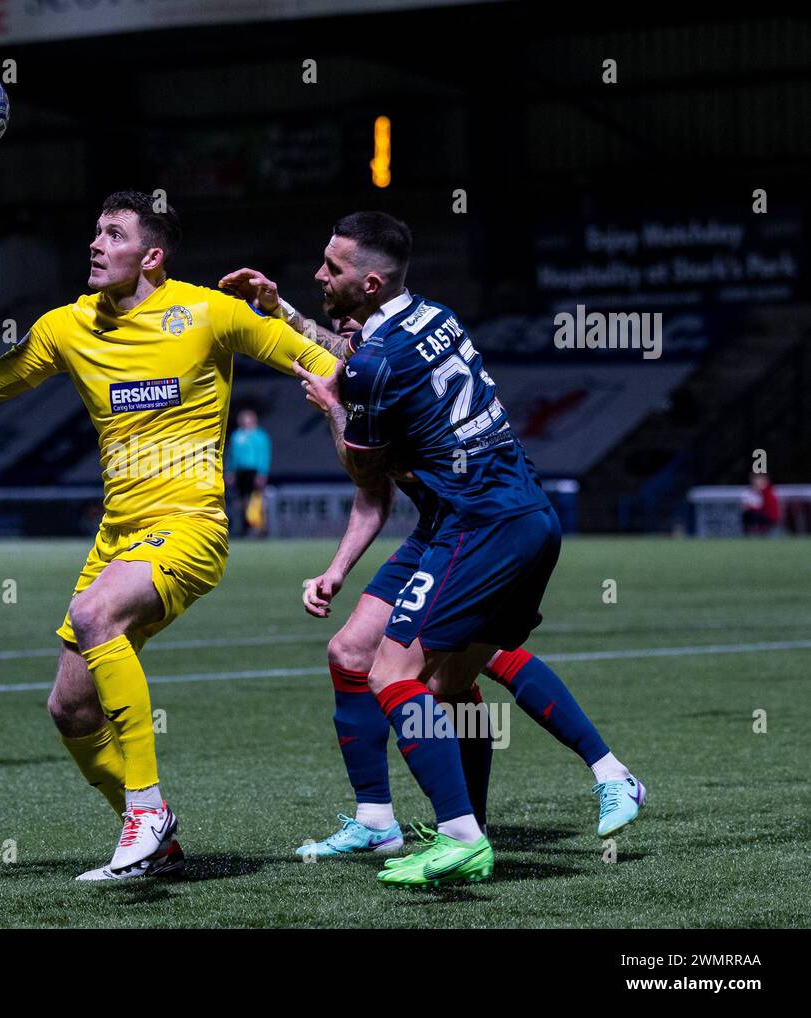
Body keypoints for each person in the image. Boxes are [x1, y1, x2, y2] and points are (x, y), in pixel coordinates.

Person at [0, 191, 339, 881]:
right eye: (94, 231)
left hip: (190, 528)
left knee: (93, 614)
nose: (94, 244)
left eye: (112, 234)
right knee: (71, 707)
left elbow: (319, 361)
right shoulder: (67, 326)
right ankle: (157, 839)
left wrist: (355, 407)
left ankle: (146, 811)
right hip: (118, 538)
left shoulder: (210, 311)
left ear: (151, 256)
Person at [214, 280, 643, 860]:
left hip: (479, 525)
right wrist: (337, 571)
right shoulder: (402, 346)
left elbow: (367, 480)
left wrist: (333, 411)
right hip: (447, 527)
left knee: (437, 671)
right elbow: (376, 497)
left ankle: (487, 821)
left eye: (333, 275)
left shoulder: (380, 382)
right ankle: (384, 820)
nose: (340, 338)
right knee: (358, 655)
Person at [227, 407, 271, 536]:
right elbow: (232, 455)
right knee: (240, 500)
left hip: (254, 471)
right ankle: (243, 527)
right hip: (240, 472)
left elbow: (264, 455)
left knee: (257, 498)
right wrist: (230, 471)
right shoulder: (236, 435)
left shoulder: (260, 436)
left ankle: (261, 527)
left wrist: (262, 473)